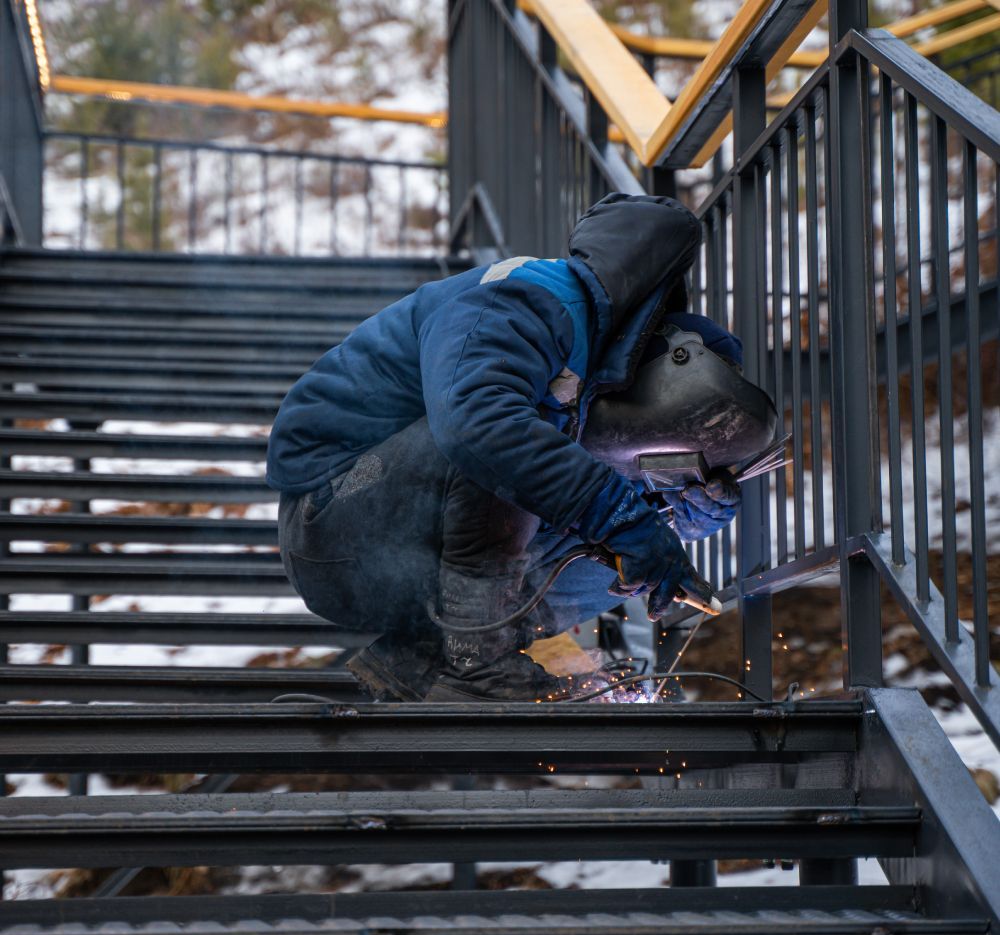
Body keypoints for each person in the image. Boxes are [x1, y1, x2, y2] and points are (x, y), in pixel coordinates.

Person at [266, 193, 742, 703]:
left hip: (407, 562)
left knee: (599, 530)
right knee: (507, 439)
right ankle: (477, 664)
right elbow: (477, 425)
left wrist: (676, 517)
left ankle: (425, 660)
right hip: (334, 526)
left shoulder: (594, 375)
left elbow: (579, 504)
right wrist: (625, 517)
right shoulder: (524, 298)